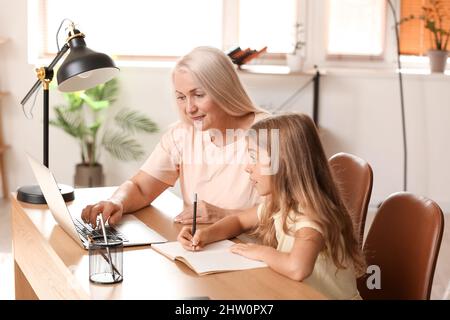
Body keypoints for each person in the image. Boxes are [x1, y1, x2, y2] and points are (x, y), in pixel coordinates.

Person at [177, 113, 366, 300]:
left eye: (254, 157)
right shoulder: (280, 203)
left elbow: (297, 268)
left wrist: (261, 252)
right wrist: (206, 235)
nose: (247, 167)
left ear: (284, 163)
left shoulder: (310, 215)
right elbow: (239, 221)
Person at [81, 46, 269, 228]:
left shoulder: (270, 134)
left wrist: (225, 216)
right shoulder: (182, 134)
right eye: (181, 97)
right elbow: (141, 188)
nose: (189, 108)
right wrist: (116, 202)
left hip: (251, 251)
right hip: (198, 246)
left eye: (199, 95)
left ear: (224, 90)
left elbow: (287, 212)